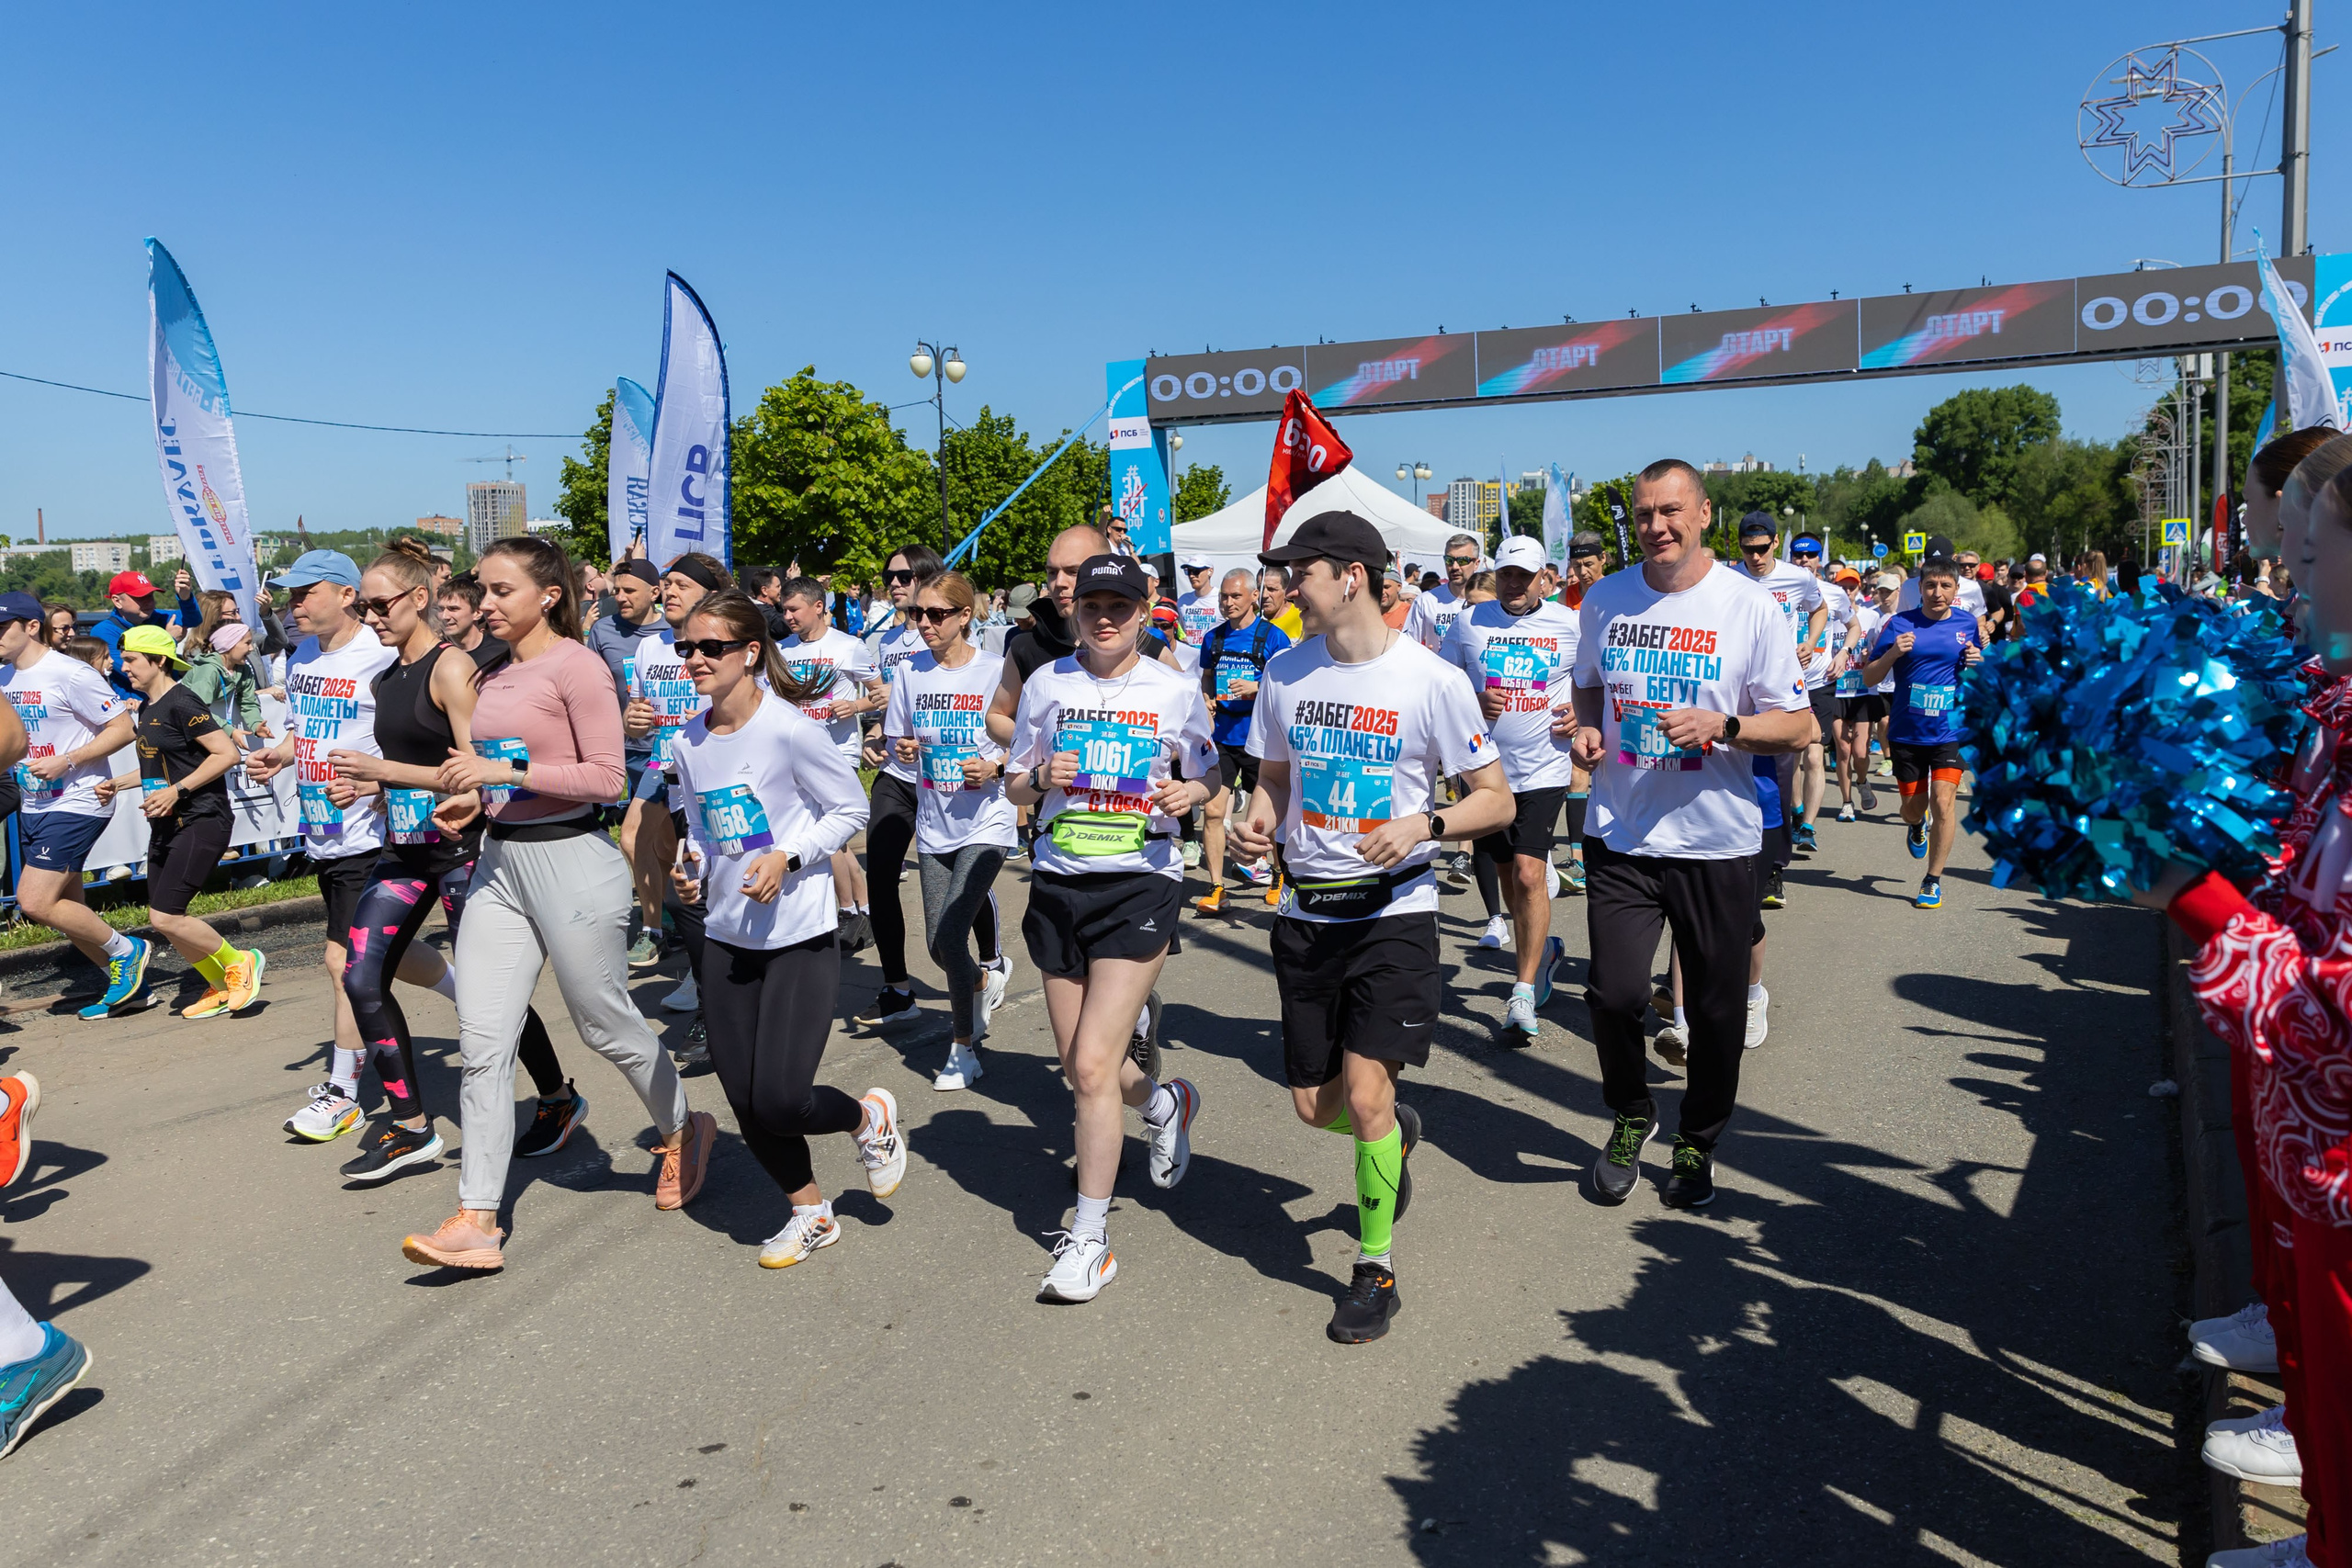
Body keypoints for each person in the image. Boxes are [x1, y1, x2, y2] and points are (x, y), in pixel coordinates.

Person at [1231, 511, 1514, 1342]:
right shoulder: (1286, 671)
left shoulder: (1430, 679)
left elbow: (1494, 797)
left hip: (1394, 912)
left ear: (1350, 575)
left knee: (1362, 1091)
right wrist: (1256, 821)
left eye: (1301, 573)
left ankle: (1374, 1266)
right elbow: (1273, 783)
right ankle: (1392, 1130)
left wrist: (1425, 824)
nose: (1287, 587)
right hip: (1307, 912)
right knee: (1316, 1107)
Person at [401, 536, 716, 1273]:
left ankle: (682, 1128)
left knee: (605, 1023)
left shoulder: (578, 665)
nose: (484, 604)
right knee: (483, 1043)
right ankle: (477, 1215)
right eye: (481, 590)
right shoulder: (492, 671)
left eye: (500, 591)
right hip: (500, 865)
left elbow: (607, 777)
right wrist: (475, 799)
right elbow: (504, 773)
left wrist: (500, 767)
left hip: (574, 860)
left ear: (548, 595)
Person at [1566, 459, 1813, 1211]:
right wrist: (1582, 727)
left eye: (1671, 511)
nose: (1657, 527)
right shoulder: (1605, 599)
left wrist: (1727, 725)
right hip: (1622, 834)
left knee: (1714, 1013)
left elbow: (1799, 724)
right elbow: (1587, 685)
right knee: (1611, 996)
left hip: (1717, 843)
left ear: (1705, 513)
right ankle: (1632, 1110)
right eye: (1644, 515)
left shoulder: (1748, 607)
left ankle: (1698, 1139)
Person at [665, 590, 903, 1269]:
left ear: (749, 652)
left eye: (712, 647)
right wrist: (690, 866)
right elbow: (703, 833)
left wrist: (789, 856)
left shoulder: (790, 728)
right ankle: (810, 1211)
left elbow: (849, 808)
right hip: (726, 933)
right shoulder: (688, 739)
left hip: (796, 931)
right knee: (744, 1097)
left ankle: (866, 1118)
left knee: (781, 1096)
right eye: (687, 647)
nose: (697, 659)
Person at [322, 549, 576, 1184]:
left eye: (381, 604)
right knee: (360, 976)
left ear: (417, 598)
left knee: (493, 991)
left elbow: (475, 767)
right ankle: (411, 1126)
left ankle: (556, 1095)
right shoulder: (385, 679)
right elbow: (410, 769)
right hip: (404, 850)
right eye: (364, 606)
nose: (372, 615)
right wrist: (372, 791)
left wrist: (382, 771)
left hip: (463, 851)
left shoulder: (451, 667)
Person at [1002, 554, 1216, 1303]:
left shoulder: (1173, 686)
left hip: (1140, 881)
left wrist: (1189, 789)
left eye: (1119, 605)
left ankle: (1089, 1239)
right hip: (1060, 880)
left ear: (1144, 607)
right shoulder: (1046, 684)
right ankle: (1163, 1103)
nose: (1103, 617)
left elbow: (1208, 773)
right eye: (1090, 603)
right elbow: (1014, 779)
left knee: (1092, 1066)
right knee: (1081, 1066)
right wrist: (1039, 780)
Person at [242, 551, 429, 1139]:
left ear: (348, 594)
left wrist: (386, 783)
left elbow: (415, 729)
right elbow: (309, 726)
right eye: (291, 595)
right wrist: (279, 755)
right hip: (323, 830)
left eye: (307, 593)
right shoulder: (301, 656)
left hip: (371, 832)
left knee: (342, 962)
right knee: (377, 958)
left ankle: (344, 1093)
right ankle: (478, 999)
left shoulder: (379, 654)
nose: (295, 605)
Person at [1439, 534, 1578, 1043]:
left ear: (1544, 577)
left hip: (1544, 768)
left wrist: (1581, 714)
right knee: (1506, 872)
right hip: (1485, 772)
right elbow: (1440, 682)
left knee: (1527, 871)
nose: (1515, 584)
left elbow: (1595, 680)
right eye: (1508, 574)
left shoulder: (1568, 624)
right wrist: (1474, 698)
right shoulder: (1471, 622)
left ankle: (1521, 989)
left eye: (1525, 575)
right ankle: (1543, 953)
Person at [882, 570, 1016, 1089]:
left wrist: (998, 766)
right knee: (940, 948)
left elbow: (1029, 741)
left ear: (965, 616)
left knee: (951, 931)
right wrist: (903, 748)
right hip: (935, 818)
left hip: (988, 816)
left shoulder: (994, 672)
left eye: (936, 614)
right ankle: (981, 978)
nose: (924, 624)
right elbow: (896, 740)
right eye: (918, 614)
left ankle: (963, 1048)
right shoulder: (912, 673)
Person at [855, 544, 992, 1032]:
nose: (894, 584)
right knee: (882, 877)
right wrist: (882, 738)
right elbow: (895, 723)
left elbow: (1007, 729)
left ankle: (989, 965)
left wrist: (993, 765)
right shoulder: (894, 646)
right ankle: (898, 988)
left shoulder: (980, 660)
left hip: (963, 792)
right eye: (888, 575)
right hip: (903, 779)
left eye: (904, 576)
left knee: (960, 898)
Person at [96, 626, 264, 1020]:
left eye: (132, 660)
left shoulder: (183, 702)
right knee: (168, 921)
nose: (125, 668)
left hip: (203, 818)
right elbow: (165, 766)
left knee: (165, 915)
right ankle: (221, 985)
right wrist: (119, 783)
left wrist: (178, 792)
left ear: (158, 661)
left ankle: (241, 961)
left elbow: (225, 755)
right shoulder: (150, 707)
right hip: (169, 823)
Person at [0, 592, 146, 1017]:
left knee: (34, 901)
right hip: (34, 802)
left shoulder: (70, 672)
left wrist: (68, 759)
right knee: (70, 908)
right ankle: (128, 986)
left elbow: (123, 728)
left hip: (80, 797)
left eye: (2, 628)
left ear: (31, 627)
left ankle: (128, 951)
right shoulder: (3, 678)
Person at [623, 552, 733, 1025]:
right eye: (665, 584)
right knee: (639, 839)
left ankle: (711, 972)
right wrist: (633, 721)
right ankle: (680, 949)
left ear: (708, 594)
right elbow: (636, 713)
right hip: (662, 761)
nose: (668, 592)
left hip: (711, 767)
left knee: (701, 869)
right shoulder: (649, 647)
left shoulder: (726, 642)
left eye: (680, 585)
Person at [1857, 555, 1981, 909]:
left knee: (1944, 801)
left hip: (1949, 730)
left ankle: (1932, 880)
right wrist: (1894, 653)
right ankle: (1915, 824)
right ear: (1920, 588)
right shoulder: (1899, 624)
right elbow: (1869, 678)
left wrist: (1980, 662)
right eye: (1930, 585)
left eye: (1945, 586)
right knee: (1913, 808)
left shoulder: (1967, 624)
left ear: (1956, 590)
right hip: (1908, 731)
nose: (1937, 593)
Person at [777, 576, 886, 940]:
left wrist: (854, 706)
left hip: (838, 751)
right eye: (784, 609)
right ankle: (865, 911)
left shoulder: (848, 646)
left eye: (794, 609)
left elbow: (882, 693)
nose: (787, 616)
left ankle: (846, 912)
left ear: (819, 606)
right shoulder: (783, 650)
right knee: (833, 840)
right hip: (795, 753)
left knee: (824, 834)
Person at [1193, 568, 1292, 916]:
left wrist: (1257, 687)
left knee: (1268, 818)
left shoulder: (1274, 638)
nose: (1228, 603)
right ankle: (1217, 886)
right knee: (1214, 811)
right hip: (1222, 738)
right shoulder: (1213, 639)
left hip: (1260, 740)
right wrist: (1206, 700)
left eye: (1235, 596)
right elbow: (1206, 678)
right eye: (1223, 596)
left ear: (1254, 596)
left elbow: (1289, 689)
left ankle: (1279, 875)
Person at [587, 557, 671, 964]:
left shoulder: (677, 631)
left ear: (655, 592)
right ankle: (657, 925)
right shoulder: (603, 632)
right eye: (616, 590)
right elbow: (592, 691)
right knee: (641, 841)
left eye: (628, 591)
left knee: (663, 843)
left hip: (677, 752)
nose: (618, 598)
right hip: (630, 752)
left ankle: (674, 917)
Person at [1731, 513, 1826, 860]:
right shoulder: (1727, 578)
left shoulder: (1798, 577)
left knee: (1781, 779)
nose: (1754, 558)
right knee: (1739, 774)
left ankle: (1774, 865)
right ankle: (1740, 856)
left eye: (1761, 549)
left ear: (1775, 543)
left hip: (1782, 687)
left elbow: (1820, 609)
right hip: (1738, 687)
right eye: (1747, 550)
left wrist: (1810, 643)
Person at [1787, 532, 1849, 851]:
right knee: (1792, 756)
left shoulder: (1834, 593)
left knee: (1814, 755)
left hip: (1820, 683)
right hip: (1785, 685)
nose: (1804, 560)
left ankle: (1809, 826)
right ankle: (1797, 811)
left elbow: (1854, 627)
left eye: (1810, 555)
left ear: (1819, 558)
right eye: (1798, 555)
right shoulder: (1780, 589)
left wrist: (1843, 653)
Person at [1832, 574, 1892, 818]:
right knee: (1843, 750)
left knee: (1860, 752)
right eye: (1842, 587)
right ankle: (1847, 803)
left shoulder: (1871, 616)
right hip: (1835, 690)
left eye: (1852, 587)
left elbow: (1881, 649)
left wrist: (1872, 654)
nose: (1847, 592)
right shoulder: (1828, 616)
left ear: (1859, 589)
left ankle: (1862, 781)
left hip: (1864, 690)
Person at [89, 570, 174, 700]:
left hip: (162, 698)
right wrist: (169, 639)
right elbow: (137, 671)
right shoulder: (103, 631)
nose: (149, 602)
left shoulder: (155, 616)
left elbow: (194, 619)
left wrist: (185, 597)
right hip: (134, 704)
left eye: (150, 596)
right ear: (117, 601)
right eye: (140, 598)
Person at [1401, 533, 1483, 650]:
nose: (1454, 567)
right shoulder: (1425, 601)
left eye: (1463, 561)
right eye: (1449, 560)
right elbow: (1409, 646)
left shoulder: (1489, 601)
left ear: (1476, 564)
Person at [437, 573, 492, 654]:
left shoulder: (501, 651)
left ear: (477, 613)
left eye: (453, 609)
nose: (444, 616)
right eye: (441, 609)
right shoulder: (435, 653)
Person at [1174, 558, 1221, 647]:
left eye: (1196, 571)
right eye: (1188, 571)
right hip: (1189, 655)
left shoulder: (1221, 598)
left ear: (1210, 571)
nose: (1191, 575)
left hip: (1213, 655)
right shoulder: (1183, 601)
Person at [1558, 533, 1608, 611]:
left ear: (1603, 558)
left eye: (1588, 564)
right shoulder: (1565, 596)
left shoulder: (1615, 593)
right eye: (1577, 566)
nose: (1582, 572)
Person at [1258, 567, 1306, 642]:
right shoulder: (1252, 620)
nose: (1264, 595)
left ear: (1286, 591)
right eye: (1260, 589)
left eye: (1271, 589)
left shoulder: (1303, 618)